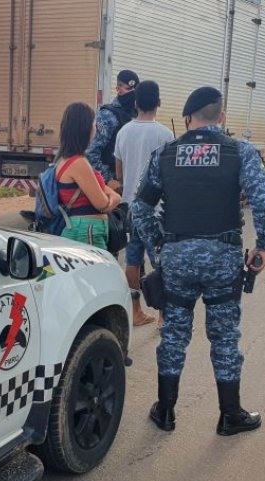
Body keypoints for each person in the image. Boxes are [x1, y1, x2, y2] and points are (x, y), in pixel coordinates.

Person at [132, 87, 265, 435]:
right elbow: (263, 202)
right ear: (221, 117)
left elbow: (140, 208)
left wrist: (158, 249)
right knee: (225, 337)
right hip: (223, 259)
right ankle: (230, 415)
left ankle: (165, 411)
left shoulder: (165, 154)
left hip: (177, 260)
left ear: (187, 119)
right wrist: (263, 245)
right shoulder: (239, 151)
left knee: (174, 334)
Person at [114, 80, 174, 327]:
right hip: (156, 211)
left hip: (129, 208)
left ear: (136, 102)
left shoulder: (124, 132)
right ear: (158, 103)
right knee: (160, 262)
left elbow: (119, 174)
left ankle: (136, 311)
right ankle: (163, 316)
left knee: (132, 260)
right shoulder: (165, 135)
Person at [56, 102, 122, 249]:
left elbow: (100, 189)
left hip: (83, 230)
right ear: (84, 128)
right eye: (93, 124)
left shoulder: (66, 159)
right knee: (95, 272)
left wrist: (106, 192)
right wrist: (115, 198)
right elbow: (102, 204)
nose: (95, 128)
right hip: (87, 233)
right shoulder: (79, 163)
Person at [86, 69, 140, 191]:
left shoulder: (136, 115)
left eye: (134, 91)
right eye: (128, 90)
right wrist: (108, 179)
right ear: (118, 89)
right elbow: (91, 152)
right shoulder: (108, 115)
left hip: (130, 183)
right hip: (109, 185)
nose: (132, 94)